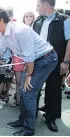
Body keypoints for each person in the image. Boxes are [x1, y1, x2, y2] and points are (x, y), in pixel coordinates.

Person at [0, 7, 58, 136]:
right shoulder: (3, 33)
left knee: (29, 93)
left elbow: (30, 58)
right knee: (24, 90)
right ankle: (22, 121)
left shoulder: (21, 31)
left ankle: (29, 130)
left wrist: (29, 75)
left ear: (2, 21)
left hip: (46, 59)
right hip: (34, 60)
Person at [34, 0, 70, 132]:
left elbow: (69, 42)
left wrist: (65, 61)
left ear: (45, 4)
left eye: (38, 5)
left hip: (56, 61)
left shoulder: (65, 20)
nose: (36, 8)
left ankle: (50, 118)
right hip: (38, 61)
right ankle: (31, 116)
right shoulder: (38, 21)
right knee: (34, 88)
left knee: (53, 89)